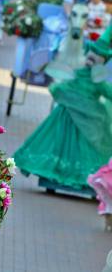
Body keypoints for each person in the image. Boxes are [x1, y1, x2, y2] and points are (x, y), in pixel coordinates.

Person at [15, 24, 112, 193]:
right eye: (92, 53)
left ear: (102, 62)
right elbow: (62, 85)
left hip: (90, 123)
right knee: (59, 144)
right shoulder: (78, 72)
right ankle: (53, 176)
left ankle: (86, 180)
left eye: (98, 56)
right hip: (66, 117)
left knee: (87, 150)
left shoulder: (99, 82)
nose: (93, 57)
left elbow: (108, 93)